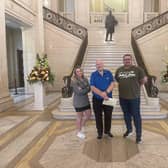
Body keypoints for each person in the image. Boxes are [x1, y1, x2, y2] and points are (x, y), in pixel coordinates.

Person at [115, 54, 147, 144]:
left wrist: (136, 88)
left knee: (136, 116)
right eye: (125, 59)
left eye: (128, 59)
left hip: (134, 98)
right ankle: (129, 130)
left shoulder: (138, 69)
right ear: (123, 60)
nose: (127, 61)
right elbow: (118, 80)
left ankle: (138, 136)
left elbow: (143, 80)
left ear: (131, 60)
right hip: (123, 98)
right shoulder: (119, 70)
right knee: (126, 115)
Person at [90, 60, 115, 139]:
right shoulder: (93, 74)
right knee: (98, 116)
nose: (99, 65)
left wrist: (106, 92)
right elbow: (92, 87)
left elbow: (112, 83)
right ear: (96, 66)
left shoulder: (108, 73)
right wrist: (101, 94)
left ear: (103, 64)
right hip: (97, 99)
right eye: (97, 64)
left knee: (108, 116)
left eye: (100, 64)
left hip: (108, 98)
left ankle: (107, 132)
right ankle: (99, 132)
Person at [71, 67, 91, 139]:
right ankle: (79, 132)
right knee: (79, 117)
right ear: (75, 73)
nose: (79, 72)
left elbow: (89, 88)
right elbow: (79, 92)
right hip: (78, 101)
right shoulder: (74, 81)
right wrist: (85, 88)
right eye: (77, 71)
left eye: (80, 71)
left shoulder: (85, 79)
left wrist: (84, 88)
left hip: (86, 100)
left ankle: (82, 126)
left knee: (88, 115)